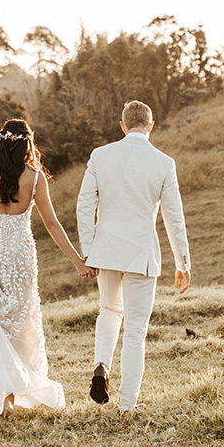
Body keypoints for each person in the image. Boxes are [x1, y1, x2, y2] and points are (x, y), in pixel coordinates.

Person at [0, 118, 90, 415]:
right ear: (27, 143)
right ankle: (8, 398)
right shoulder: (35, 178)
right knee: (20, 323)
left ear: (0, 143)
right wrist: (77, 261)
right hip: (20, 255)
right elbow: (51, 223)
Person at [77, 99, 191, 412]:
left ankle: (101, 364)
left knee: (109, 310)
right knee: (136, 330)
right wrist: (183, 263)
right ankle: (127, 404)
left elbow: (84, 204)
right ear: (150, 125)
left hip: (106, 249)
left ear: (123, 125)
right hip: (141, 253)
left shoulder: (101, 155)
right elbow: (174, 217)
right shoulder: (164, 162)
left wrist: (88, 250)